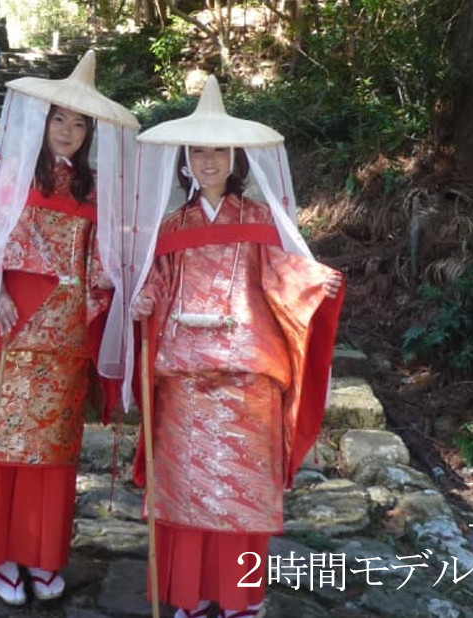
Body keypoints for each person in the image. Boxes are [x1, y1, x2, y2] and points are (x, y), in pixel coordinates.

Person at [128, 76, 345, 618]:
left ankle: (240, 598)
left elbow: (279, 273)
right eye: (199, 151)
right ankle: (191, 593)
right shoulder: (171, 225)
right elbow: (158, 281)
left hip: (247, 373)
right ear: (185, 160)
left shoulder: (259, 219)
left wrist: (314, 282)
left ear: (234, 158)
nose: (208, 161)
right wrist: (144, 299)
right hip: (183, 375)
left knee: (239, 489)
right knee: (185, 488)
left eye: (219, 151)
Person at [0, 51, 139, 606]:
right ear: (43, 122)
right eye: (59, 119)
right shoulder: (14, 174)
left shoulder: (95, 189)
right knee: (2, 444)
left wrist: (120, 289)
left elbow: (104, 263)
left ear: (89, 134)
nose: (68, 131)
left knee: (54, 451)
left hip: (67, 335)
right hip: (13, 330)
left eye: (79, 124)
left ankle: (42, 555)